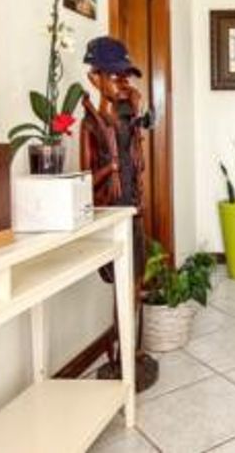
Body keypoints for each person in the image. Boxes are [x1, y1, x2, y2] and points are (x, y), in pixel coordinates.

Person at [80, 36, 157, 391]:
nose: (123, 84)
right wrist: (109, 169)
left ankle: (134, 352)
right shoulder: (91, 125)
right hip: (111, 215)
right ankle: (121, 356)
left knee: (136, 286)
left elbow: (138, 157)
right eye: (115, 77)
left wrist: (138, 115)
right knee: (120, 287)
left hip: (134, 212)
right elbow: (84, 180)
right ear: (94, 78)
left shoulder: (128, 119)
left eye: (126, 77)